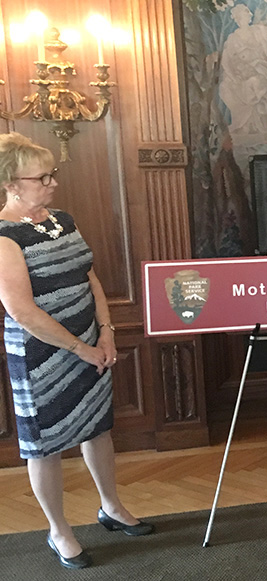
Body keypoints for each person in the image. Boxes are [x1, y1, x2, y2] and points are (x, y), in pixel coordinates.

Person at [0, 133, 154, 569]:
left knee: (97, 428)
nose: (53, 183)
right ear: (11, 184)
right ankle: (59, 531)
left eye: (52, 174)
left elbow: (90, 278)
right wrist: (80, 349)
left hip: (90, 341)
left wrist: (105, 333)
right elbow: (21, 311)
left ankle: (111, 507)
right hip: (39, 355)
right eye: (42, 177)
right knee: (44, 445)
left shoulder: (63, 220)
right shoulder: (4, 236)